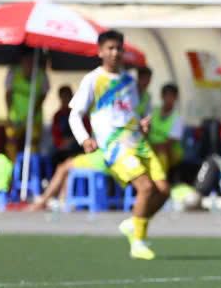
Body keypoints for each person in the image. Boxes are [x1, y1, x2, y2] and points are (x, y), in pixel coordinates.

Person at [68, 30, 170, 259]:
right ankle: (138, 242)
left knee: (164, 191)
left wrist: (143, 124)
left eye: (118, 48)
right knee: (146, 187)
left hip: (137, 141)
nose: (115, 53)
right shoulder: (93, 80)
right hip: (115, 145)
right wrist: (84, 138)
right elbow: (75, 115)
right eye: (110, 48)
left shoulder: (129, 81)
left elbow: (131, 112)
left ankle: (134, 224)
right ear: (100, 52)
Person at [4, 48, 49, 163]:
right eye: (26, 60)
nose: (29, 63)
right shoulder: (13, 73)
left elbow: (43, 96)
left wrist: (32, 114)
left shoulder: (41, 75)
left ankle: (32, 168)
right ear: (21, 60)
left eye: (31, 60)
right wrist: (8, 115)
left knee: (33, 143)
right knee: (11, 142)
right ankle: (13, 168)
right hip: (16, 117)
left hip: (34, 118)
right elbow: (8, 94)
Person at [148, 83, 186, 181]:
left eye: (171, 96)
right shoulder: (153, 111)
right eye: (166, 95)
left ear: (176, 98)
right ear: (162, 96)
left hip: (170, 152)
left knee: (162, 155)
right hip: (152, 147)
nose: (168, 99)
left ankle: (160, 182)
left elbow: (168, 144)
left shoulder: (178, 118)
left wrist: (151, 147)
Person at [49, 85, 85, 169]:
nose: (66, 99)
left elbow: (86, 131)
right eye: (64, 96)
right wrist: (62, 144)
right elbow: (55, 134)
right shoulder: (58, 116)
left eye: (68, 96)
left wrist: (74, 140)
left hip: (78, 147)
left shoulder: (80, 113)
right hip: (63, 149)